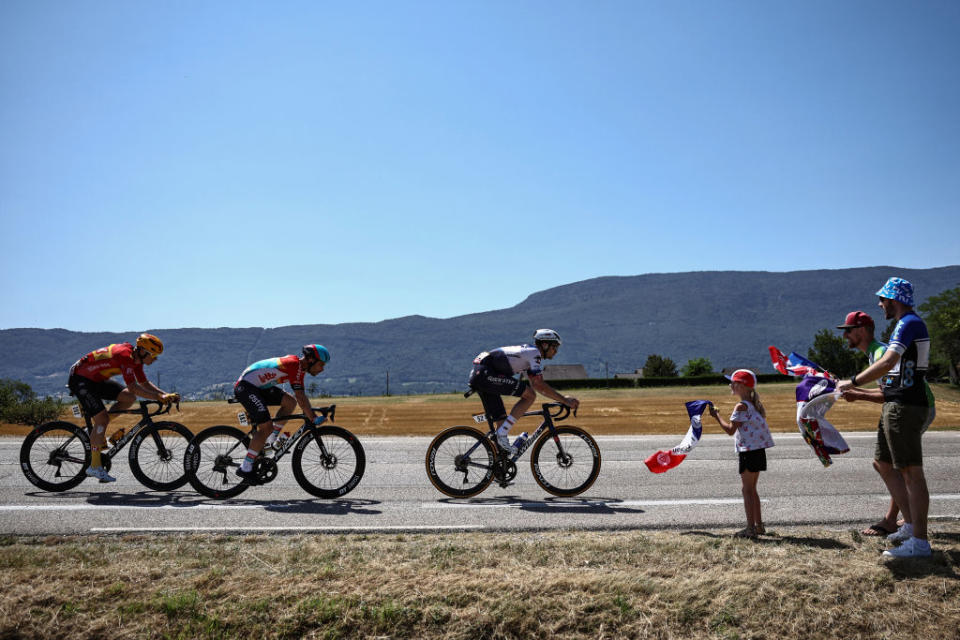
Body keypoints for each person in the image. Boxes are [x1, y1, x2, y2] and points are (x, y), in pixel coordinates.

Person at [838, 277, 935, 558]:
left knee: (910, 472)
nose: (880, 305)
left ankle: (919, 541)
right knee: (883, 462)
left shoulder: (908, 324)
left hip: (905, 404)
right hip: (899, 403)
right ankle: (912, 526)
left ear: (894, 299)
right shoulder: (904, 325)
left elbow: (889, 362)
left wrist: (853, 382)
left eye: (883, 300)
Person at [67, 333, 179, 482]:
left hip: (94, 379)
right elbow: (133, 387)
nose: (155, 359)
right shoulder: (126, 357)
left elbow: (144, 384)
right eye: (153, 355)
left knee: (128, 398)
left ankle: (94, 430)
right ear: (143, 351)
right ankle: (94, 466)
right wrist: (159, 397)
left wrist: (165, 395)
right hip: (81, 379)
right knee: (102, 420)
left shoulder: (136, 359)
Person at [468, 329, 579, 453]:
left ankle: (498, 466)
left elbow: (536, 383)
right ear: (545, 345)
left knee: (501, 421)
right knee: (530, 395)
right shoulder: (534, 353)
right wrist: (565, 400)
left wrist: (562, 399)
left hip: (482, 375)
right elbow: (539, 385)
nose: (556, 351)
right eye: (554, 347)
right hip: (485, 375)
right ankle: (502, 434)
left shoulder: (528, 354)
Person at [233, 344, 331, 483]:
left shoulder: (299, 368)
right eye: (321, 364)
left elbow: (300, 398)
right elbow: (301, 396)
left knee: (289, 403)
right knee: (266, 427)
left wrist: (311, 413)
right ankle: (245, 467)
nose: (322, 369)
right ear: (310, 360)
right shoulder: (294, 365)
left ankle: (270, 442)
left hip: (257, 387)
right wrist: (313, 418)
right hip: (246, 387)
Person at [708, 369, 774, 539]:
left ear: (741, 386)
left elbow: (730, 430)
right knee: (752, 490)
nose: (730, 385)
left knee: (747, 490)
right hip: (758, 451)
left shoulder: (741, 406)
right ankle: (759, 526)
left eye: (733, 382)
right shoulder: (753, 405)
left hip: (748, 452)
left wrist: (716, 416)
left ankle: (750, 529)